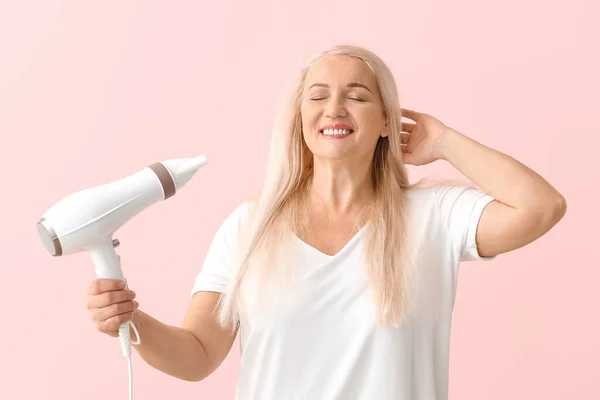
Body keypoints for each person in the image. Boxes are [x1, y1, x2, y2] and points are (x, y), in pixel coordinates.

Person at [85, 44, 567, 399]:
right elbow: (197, 355)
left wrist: (442, 141)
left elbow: (540, 207)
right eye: (318, 96)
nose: (334, 108)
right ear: (300, 119)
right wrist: (132, 322)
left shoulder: (434, 216)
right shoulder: (249, 228)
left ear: (386, 121)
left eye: (356, 96)